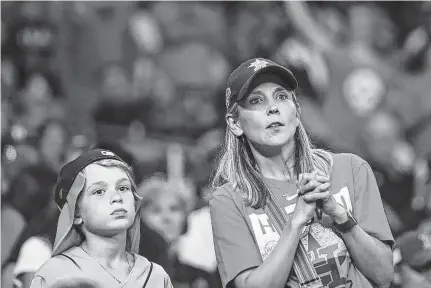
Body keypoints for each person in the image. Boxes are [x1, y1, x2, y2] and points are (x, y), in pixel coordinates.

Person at [210, 58, 394, 288]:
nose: (273, 107)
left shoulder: (351, 169)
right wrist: (296, 223)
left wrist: (341, 216)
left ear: (296, 113)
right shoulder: (229, 200)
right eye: (256, 100)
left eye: (281, 96)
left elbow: (385, 275)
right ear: (235, 123)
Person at [30, 148, 173, 288]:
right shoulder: (54, 275)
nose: (117, 198)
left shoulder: (156, 276)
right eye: (99, 191)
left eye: (123, 188)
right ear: (76, 213)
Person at [138, 175, 219, 288]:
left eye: (174, 209)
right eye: (156, 210)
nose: (166, 218)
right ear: (141, 218)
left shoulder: (200, 271)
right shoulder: (134, 268)